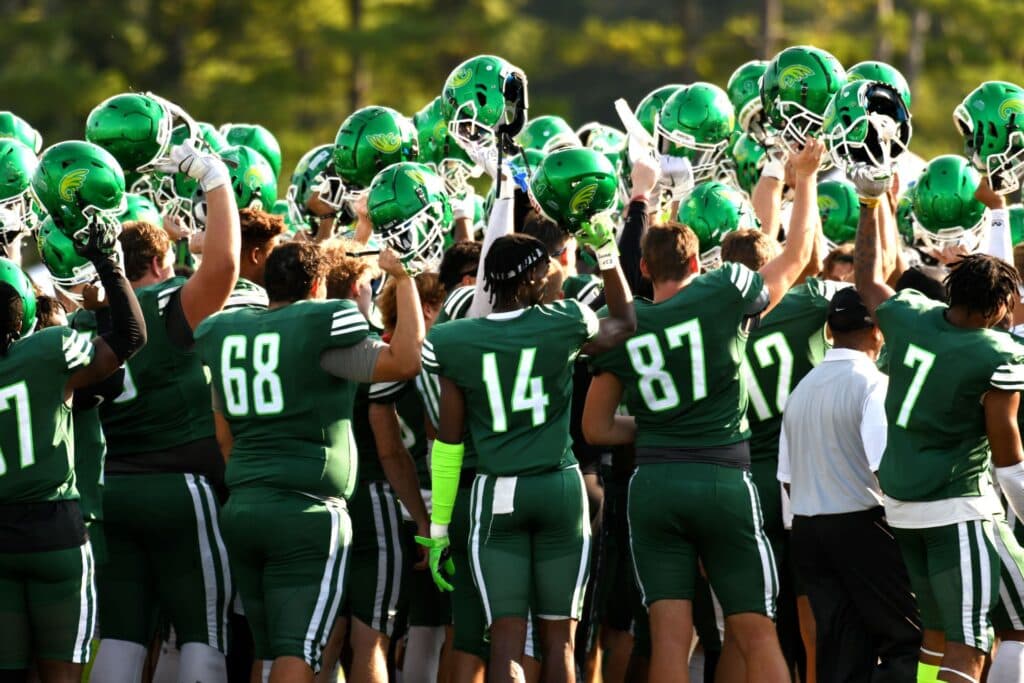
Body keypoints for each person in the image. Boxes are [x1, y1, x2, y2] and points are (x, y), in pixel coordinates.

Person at [581, 138, 825, 683]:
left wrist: (659, 425)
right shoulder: (723, 291)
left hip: (654, 481)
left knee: (670, 638)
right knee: (755, 630)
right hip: (722, 476)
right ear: (698, 261)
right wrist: (803, 179)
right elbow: (797, 256)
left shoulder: (627, 322)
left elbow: (595, 426)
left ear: (643, 268)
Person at [194, 242, 424, 683]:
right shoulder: (320, 328)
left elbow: (225, 437)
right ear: (318, 286)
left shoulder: (228, 334)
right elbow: (407, 359)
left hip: (243, 507)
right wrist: (406, 277)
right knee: (297, 649)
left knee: (267, 650)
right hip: (306, 511)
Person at [419, 226, 637, 683]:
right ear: (529, 281)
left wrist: (440, 526)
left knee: (505, 640)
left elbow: (449, 442)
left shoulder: (454, 340)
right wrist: (607, 254)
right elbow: (625, 321)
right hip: (558, 486)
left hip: (497, 492)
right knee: (560, 641)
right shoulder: (563, 320)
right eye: (545, 269)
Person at [854, 165, 1024, 683]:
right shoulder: (997, 351)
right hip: (957, 505)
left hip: (904, 503)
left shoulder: (910, 315)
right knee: (969, 642)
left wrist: (868, 203)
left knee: (933, 634)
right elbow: (1006, 446)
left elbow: (866, 279)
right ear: (998, 307)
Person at [90, 143, 241, 683]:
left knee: (122, 637)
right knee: (203, 631)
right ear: (158, 264)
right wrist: (213, 176)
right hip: (180, 486)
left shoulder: (89, 319)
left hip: (113, 488)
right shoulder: (169, 303)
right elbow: (224, 264)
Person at [0, 218, 146, 681]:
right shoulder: (47, 351)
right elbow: (129, 339)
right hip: (55, 529)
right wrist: (109, 265)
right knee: (61, 677)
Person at [779, 286, 921, 682]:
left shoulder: (801, 389)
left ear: (829, 330)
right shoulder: (873, 383)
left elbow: (787, 480)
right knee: (908, 641)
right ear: (878, 329)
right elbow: (884, 470)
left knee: (841, 650)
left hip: (808, 530)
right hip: (862, 525)